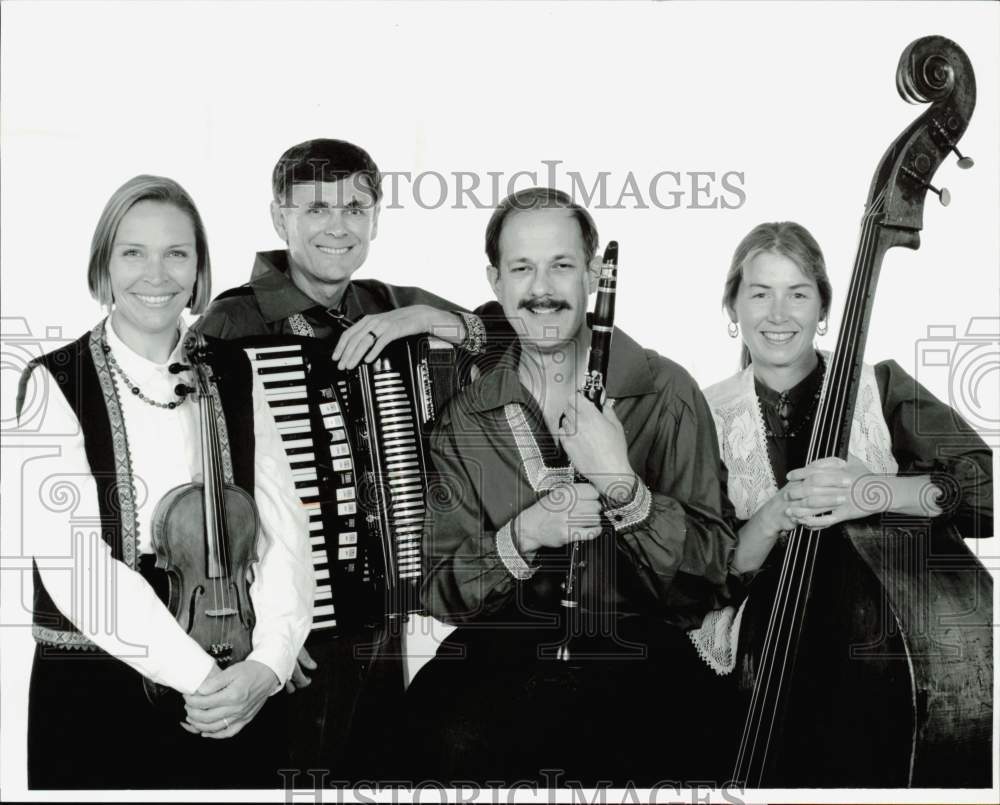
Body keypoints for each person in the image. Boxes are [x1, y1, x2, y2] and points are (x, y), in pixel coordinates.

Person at [405, 187, 740, 786]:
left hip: (643, 655)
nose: (542, 288)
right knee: (424, 743)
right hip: (505, 663)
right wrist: (522, 535)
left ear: (590, 274)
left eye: (561, 265)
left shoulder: (666, 391)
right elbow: (436, 590)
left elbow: (710, 575)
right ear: (496, 281)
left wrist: (623, 487)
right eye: (521, 268)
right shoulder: (465, 416)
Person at [195, 138, 502, 779]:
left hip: (403, 609)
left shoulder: (393, 302)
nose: (338, 226)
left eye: (355, 209)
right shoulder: (229, 322)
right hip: (300, 625)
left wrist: (427, 318)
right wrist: (262, 625)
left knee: (393, 771)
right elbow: (202, 488)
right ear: (280, 217)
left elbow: (518, 339)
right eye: (315, 209)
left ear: (376, 219)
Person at [16, 175, 313, 790]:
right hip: (98, 685)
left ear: (199, 267)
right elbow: (75, 567)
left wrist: (269, 664)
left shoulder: (232, 369)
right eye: (134, 253)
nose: (157, 274)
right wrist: (199, 678)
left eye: (177, 253)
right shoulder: (54, 383)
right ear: (103, 266)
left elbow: (286, 528)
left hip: (239, 666)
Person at [689, 220, 994, 679]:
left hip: (877, 662)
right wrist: (774, 515)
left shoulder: (883, 389)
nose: (778, 313)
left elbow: (982, 495)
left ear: (823, 307)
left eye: (797, 293)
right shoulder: (698, 414)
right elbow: (699, 577)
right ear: (733, 307)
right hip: (754, 671)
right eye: (759, 294)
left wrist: (875, 491)